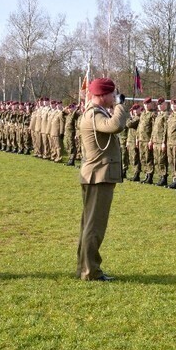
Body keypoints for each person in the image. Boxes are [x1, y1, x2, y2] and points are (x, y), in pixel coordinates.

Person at [76, 78, 128, 281]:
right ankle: (91, 271)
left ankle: (85, 268)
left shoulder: (96, 112)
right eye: (112, 94)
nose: (113, 98)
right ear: (103, 95)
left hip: (97, 174)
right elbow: (115, 126)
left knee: (89, 225)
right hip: (98, 175)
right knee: (94, 226)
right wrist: (121, 106)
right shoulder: (94, 114)